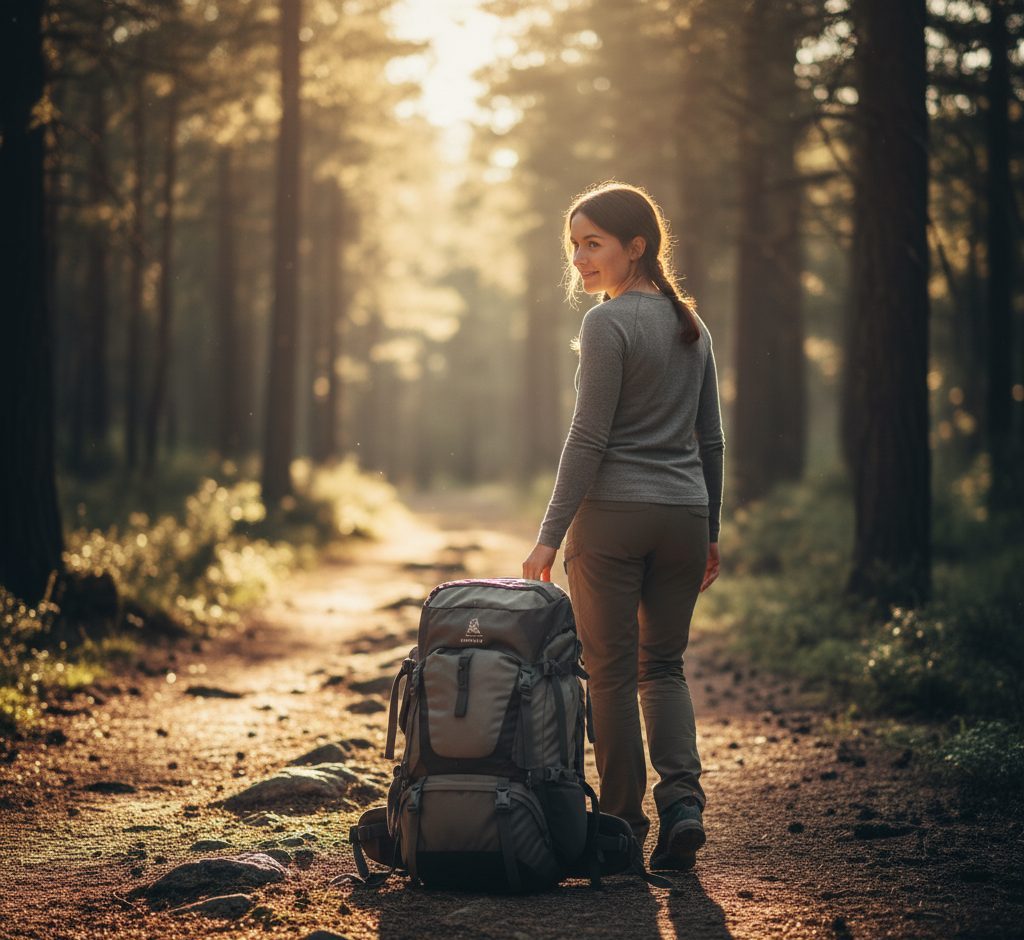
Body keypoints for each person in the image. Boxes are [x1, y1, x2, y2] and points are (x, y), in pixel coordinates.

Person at [522, 181, 724, 872]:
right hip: (685, 517)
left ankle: (619, 826)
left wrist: (550, 533)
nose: (579, 258)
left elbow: (588, 438)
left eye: (593, 243)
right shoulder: (691, 326)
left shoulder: (606, 326)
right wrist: (713, 530)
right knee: (662, 668)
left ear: (635, 247)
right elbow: (712, 442)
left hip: (613, 519)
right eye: (574, 244)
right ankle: (684, 806)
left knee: (609, 674)